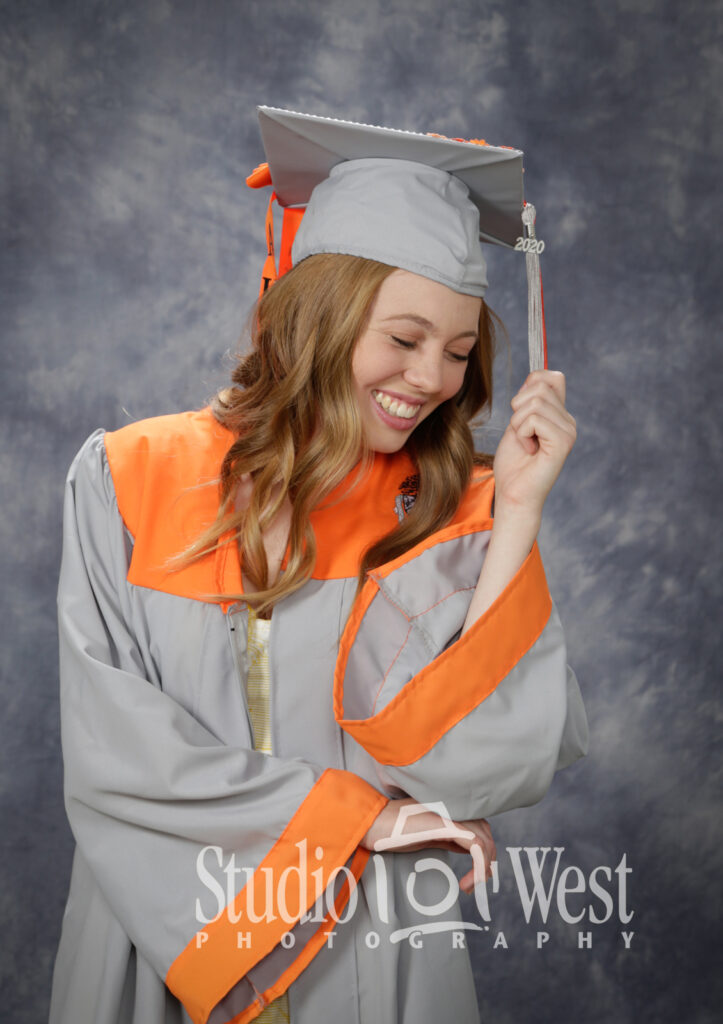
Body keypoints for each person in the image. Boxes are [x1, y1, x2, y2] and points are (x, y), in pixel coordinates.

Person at [48, 108, 588, 1024]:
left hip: (374, 940)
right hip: (173, 924)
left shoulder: (457, 508)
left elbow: (474, 761)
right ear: (315, 316)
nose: (429, 379)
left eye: (459, 353)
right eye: (403, 339)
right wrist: (361, 819)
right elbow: (116, 751)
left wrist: (521, 509)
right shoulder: (129, 478)